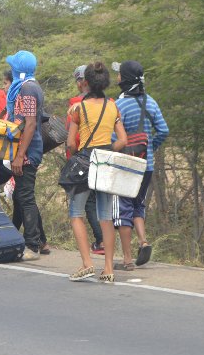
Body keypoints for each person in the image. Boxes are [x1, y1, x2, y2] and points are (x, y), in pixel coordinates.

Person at [65, 62, 127, 282]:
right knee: (105, 217)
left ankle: (87, 263)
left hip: (85, 162)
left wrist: (78, 154)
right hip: (106, 163)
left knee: (76, 213)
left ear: (87, 82)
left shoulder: (78, 109)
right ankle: (109, 269)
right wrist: (107, 151)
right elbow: (123, 140)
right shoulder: (113, 106)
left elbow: (71, 142)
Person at [113, 61, 169, 268]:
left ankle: (127, 259)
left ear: (125, 79)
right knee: (138, 204)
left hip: (127, 164)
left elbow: (114, 137)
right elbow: (163, 130)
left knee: (124, 209)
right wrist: (151, 148)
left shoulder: (119, 106)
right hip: (147, 164)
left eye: (119, 74)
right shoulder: (151, 102)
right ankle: (143, 241)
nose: (117, 78)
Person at [5, 50, 47, 261]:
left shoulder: (28, 89)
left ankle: (33, 245)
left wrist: (20, 155)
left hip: (28, 150)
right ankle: (30, 239)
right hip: (24, 149)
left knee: (26, 196)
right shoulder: (25, 87)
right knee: (22, 195)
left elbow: (29, 123)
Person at [67, 65, 104, 254]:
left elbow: (71, 140)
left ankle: (99, 242)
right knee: (102, 203)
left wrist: (72, 156)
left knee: (81, 207)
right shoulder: (109, 103)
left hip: (82, 158)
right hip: (104, 157)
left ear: (83, 82)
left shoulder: (75, 104)